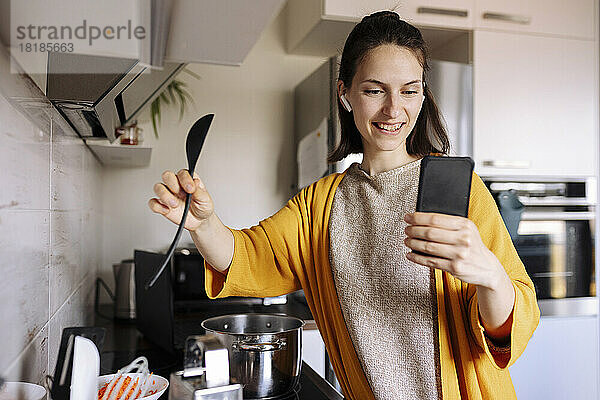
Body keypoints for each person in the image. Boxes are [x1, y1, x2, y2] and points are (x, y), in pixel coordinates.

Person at [148, 11, 539, 400]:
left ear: (423, 94)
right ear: (345, 94)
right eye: (374, 90)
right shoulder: (320, 204)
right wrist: (202, 223)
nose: (393, 110)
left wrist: (489, 275)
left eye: (409, 90)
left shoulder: (460, 190)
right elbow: (247, 257)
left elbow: (510, 327)